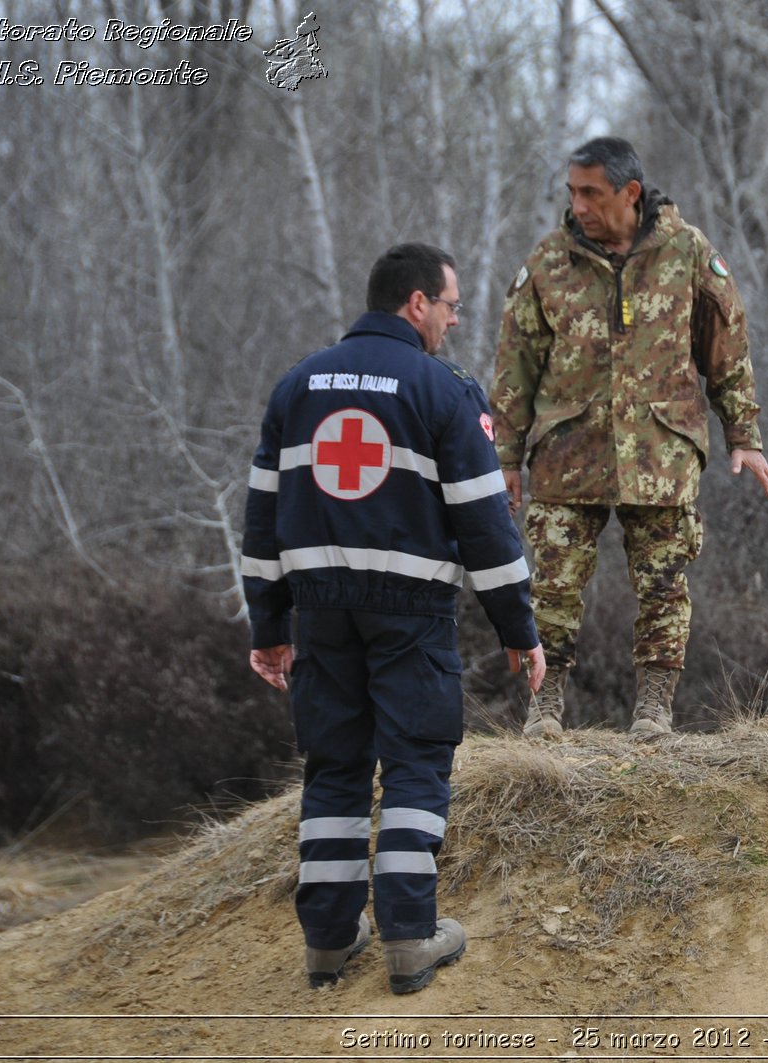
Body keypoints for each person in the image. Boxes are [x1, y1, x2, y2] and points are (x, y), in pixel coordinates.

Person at [240, 243, 546, 995]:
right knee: (414, 759)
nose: (451, 320)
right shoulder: (441, 390)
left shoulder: (296, 386)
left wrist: (268, 625)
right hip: (408, 611)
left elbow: (261, 517)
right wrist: (519, 627)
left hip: (320, 610)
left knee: (335, 765)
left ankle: (328, 941)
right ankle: (410, 937)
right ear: (416, 303)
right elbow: (486, 523)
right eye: (449, 305)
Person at [490, 137, 768, 740]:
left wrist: (743, 434)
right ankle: (545, 709)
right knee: (552, 585)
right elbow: (515, 365)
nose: (579, 205)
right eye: (572, 192)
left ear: (630, 193)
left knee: (664, 584)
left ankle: (654, 708)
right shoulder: (548, 262)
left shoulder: (688, 252)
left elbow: (726, 348)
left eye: (591, 193)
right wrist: (506, 458)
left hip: (661, 450)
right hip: (567, 453)